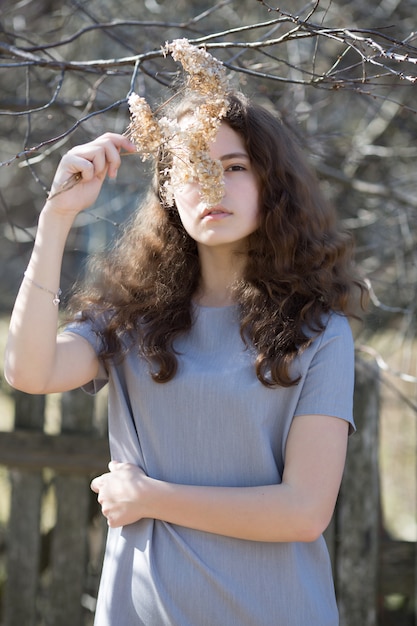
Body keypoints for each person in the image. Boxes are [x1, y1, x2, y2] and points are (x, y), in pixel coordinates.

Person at [5, 89, 365, 626]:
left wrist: (149, 497)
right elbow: (28, 372)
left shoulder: (321, 334)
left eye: (235, 165)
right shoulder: (130, 318)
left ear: (272, 183)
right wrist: (57, 217)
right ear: (169, 190)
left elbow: (303, 511)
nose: (212, 183)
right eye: (193, 166)